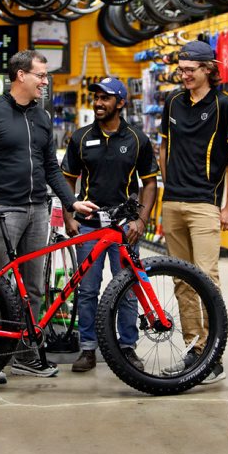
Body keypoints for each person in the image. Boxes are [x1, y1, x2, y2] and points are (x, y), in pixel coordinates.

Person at [0, 49, 97, 378]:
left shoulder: (41, 116)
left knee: (33, 287)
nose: (45, 81)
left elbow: (52, 168)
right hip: (4, 210)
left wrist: (70, 202)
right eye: (40, 75)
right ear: (21, 75)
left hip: (38, 209)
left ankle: (25, 355)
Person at [159, 40, 228, 384]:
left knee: (207, 279)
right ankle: (195, 351)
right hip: (173, 204)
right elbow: (165, 146)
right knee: (181, 282)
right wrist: (169, 191)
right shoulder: (172, 101)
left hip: (204, 205)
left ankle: (215, 355)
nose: (183, 75)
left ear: (208, 70)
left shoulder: (225, 105)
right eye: (180, 69)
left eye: (189, 70)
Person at [62, 77, 159, 373]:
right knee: (88, 290)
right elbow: (68, 179)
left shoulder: (138, 139)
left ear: (120, 103)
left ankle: (127, 347)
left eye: (105, 98)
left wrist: (141, 220)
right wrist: (69, 216)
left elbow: (150, 183)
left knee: (127, 289)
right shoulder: (79, 137)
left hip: (124, 227)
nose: (98, 103)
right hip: (89, 225)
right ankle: (88, 349)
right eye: (96, 98)